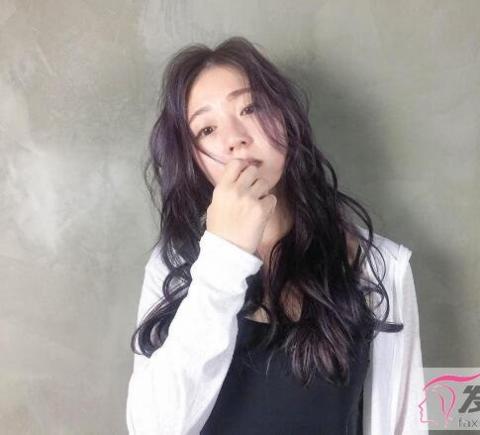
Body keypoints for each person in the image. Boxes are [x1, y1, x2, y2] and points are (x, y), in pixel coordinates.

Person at [125, 36, 428, 435]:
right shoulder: (172, 267)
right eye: (207, 129)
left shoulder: (379, 266)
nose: (235, 137)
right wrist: (225, 256)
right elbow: (152, 427)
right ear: (194, 159)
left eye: (249, 107)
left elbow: (404, 424)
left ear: (284, 116)